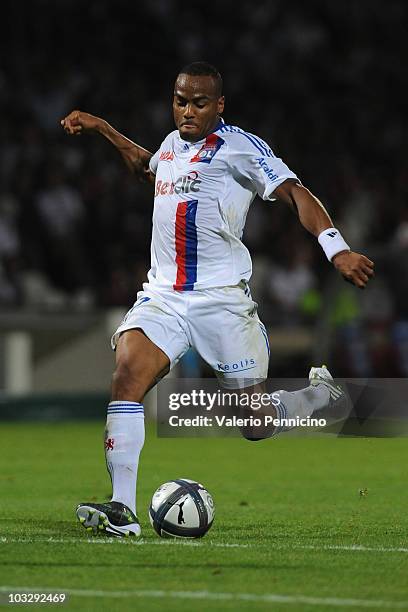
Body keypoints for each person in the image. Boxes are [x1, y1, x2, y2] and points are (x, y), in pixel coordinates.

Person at [61, 62, 374, 537]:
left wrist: (337, 248)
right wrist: (102, 127)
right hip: (164, 296)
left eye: (199, 102)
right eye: (180, 101)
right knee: (127, 375)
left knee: (256, 423)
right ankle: (121, 508)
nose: (187, 111)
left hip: (222, 303)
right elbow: (147, 167)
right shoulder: (170, 145)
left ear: (219, 104)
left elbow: (294, 193)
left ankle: (318, 396)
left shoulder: (240, 149)